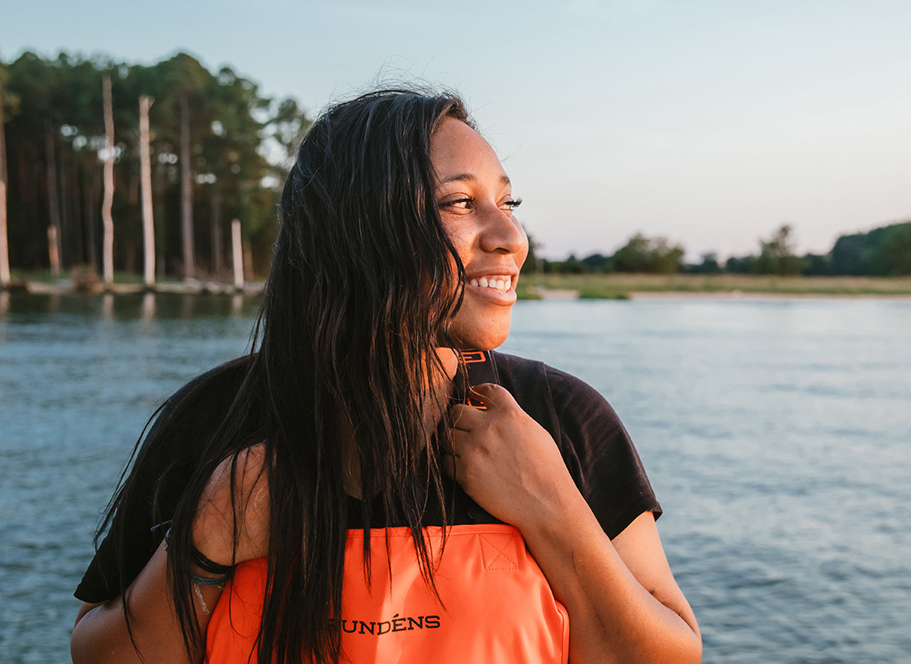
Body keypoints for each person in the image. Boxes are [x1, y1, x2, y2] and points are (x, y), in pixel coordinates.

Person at [69, 88, 701, 664]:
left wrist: (556, 512)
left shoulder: (561, 419)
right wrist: (204, 541)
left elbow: (668, 656)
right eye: (461, 202)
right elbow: (100, 657)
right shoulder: (215, 420)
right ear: (356, 227)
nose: (511, 234)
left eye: (507, 202)